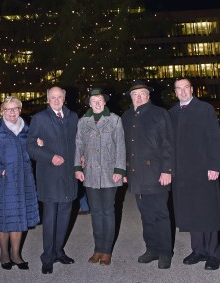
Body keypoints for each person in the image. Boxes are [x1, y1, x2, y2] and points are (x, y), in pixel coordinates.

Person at [169, 77, 220, 271]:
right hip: (182, 174)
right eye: (178, 89)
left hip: (204, 170)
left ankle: (213, 253)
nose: (182, 92)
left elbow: (213, 140)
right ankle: (198, 250)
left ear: (192, 90)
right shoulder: (172, 113)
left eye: (186, 88)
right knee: (191, 212)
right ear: (175, 92)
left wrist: (215, 166)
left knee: (207, 212)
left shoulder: (205, 109)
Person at [122, 80, 174, 270]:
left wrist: (167, 170)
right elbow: (125, 147)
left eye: (142, 93)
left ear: (148, 95)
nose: (138, 97)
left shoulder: (160, 114)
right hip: (136, 175)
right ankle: (151, 249)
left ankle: (165, 252)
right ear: (131, 97)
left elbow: (168, 144)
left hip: (157, 173)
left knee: (161, 214)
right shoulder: (126, 116)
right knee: (146, 215)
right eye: (135, 94)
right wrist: (125, 171)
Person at [27, 86, 78, 275]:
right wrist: (50, 156)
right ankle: (47, 257)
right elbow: (31, 146)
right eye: (53, 97)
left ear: (65, 98)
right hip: (49, 176)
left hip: (68, 176)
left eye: (59, 97)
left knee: (65, 216)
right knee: (50, 218)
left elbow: (78, 142)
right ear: (48, 99)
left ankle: (58, 251)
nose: (56, 100)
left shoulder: (73, 117)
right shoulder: (40, 118)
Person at [75, 88, 126, 266]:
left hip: (109, 173)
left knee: (107, 211)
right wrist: (77, 167)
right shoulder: (83, 122)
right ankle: (98, 249)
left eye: (100, 100)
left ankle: (107, 251)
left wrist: (120, 170)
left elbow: (120, 146)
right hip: (90, 173)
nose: (97, 103)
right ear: (89, 103)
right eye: (93, 100)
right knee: (96, 213)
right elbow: (78, 145)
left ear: (105, 102)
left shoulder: (114, 120)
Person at [0, 96, 40, 271]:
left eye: (16, 109)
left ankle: (16, 255)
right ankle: (4, 254)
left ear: (20, 110)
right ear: (3, 111)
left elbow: (33, 152)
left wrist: (39, 145)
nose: (12, 112)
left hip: (24, 178)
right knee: (5, 217)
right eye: (8, 109)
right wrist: (0, 170)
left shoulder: (28, 131)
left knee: (19, 216)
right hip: (4, 180)